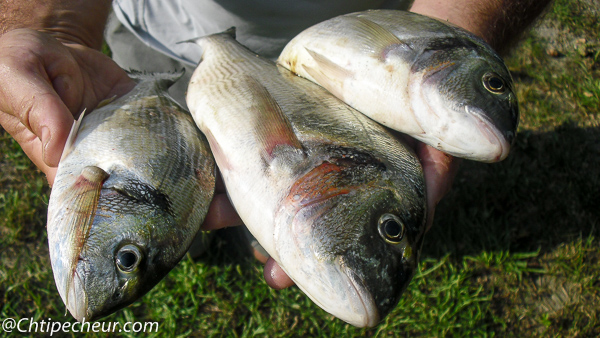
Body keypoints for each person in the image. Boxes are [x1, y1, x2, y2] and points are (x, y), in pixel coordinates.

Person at [0, 0, 551, 289]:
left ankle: (235, 237)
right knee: (180, 215)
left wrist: (442, 31)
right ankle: (191, 241)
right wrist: (57, 25)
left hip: (354, 67)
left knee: (213, 210)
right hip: (152, 35)